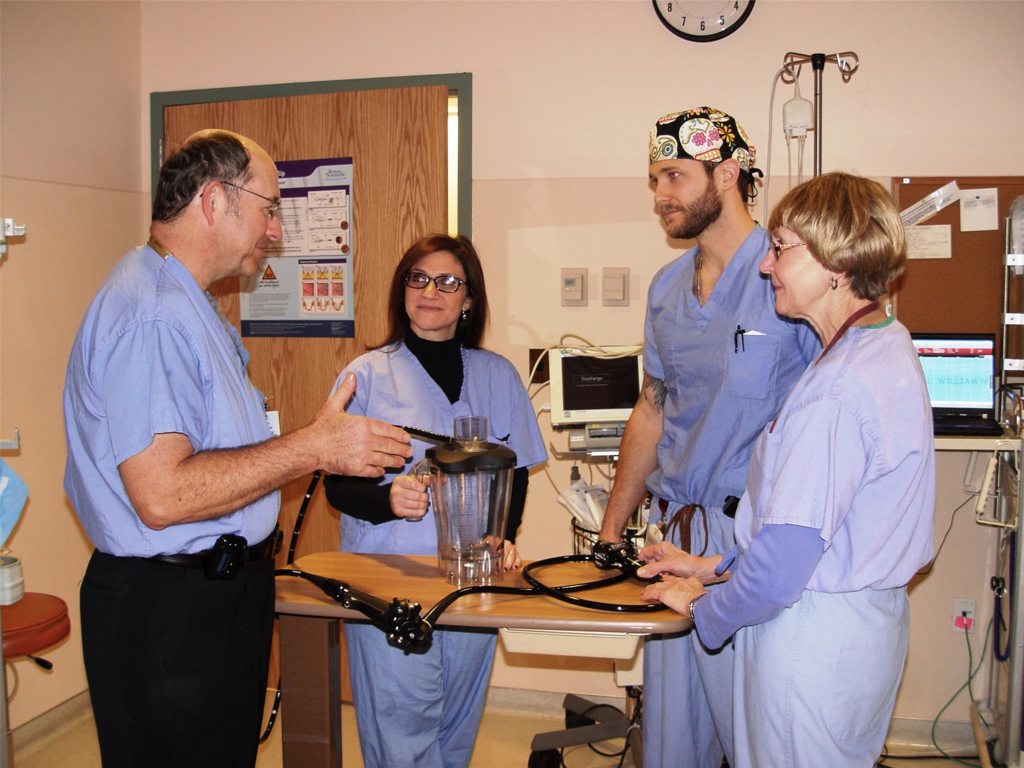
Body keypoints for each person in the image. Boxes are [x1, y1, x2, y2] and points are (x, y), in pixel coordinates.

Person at [63, 129, 412, 768]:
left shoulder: (189, 305)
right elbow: (164, 495)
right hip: (170, 611)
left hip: (214, 597)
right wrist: (313, 448)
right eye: (271, 207)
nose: (276, 231)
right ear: (216, 200)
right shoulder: (153, 317)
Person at [637, 172, 936, 767]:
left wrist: (704, 608)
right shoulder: (884, 346)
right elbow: (825, 531)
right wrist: (714, 564)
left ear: (837, 261)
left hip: (811, 645)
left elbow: (780, 572)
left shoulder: (836, 391)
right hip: (853, 627)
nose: (767, 266)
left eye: (781, 248)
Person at [596, 107, 820, 768]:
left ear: (727, 173)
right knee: (672, 745)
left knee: (756, 742)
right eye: (654, 178)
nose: (660, 195)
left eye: (674, 175)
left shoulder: (785, 279)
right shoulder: (667, 290)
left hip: (749, 546)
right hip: (676, 540)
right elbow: (653, 409)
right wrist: (612, 531)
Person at [323, 233, 547, 768]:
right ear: (402, 290)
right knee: (402, 729)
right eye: (418, 278)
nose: (431, 291)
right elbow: (334, 484)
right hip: (390, 579)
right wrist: (386, 498)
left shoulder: (498, 376)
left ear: (469, 299)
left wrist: (504, 535)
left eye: (448, 281)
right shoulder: (366, 376)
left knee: (456, 724)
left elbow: (513, 472)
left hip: (476, 577)